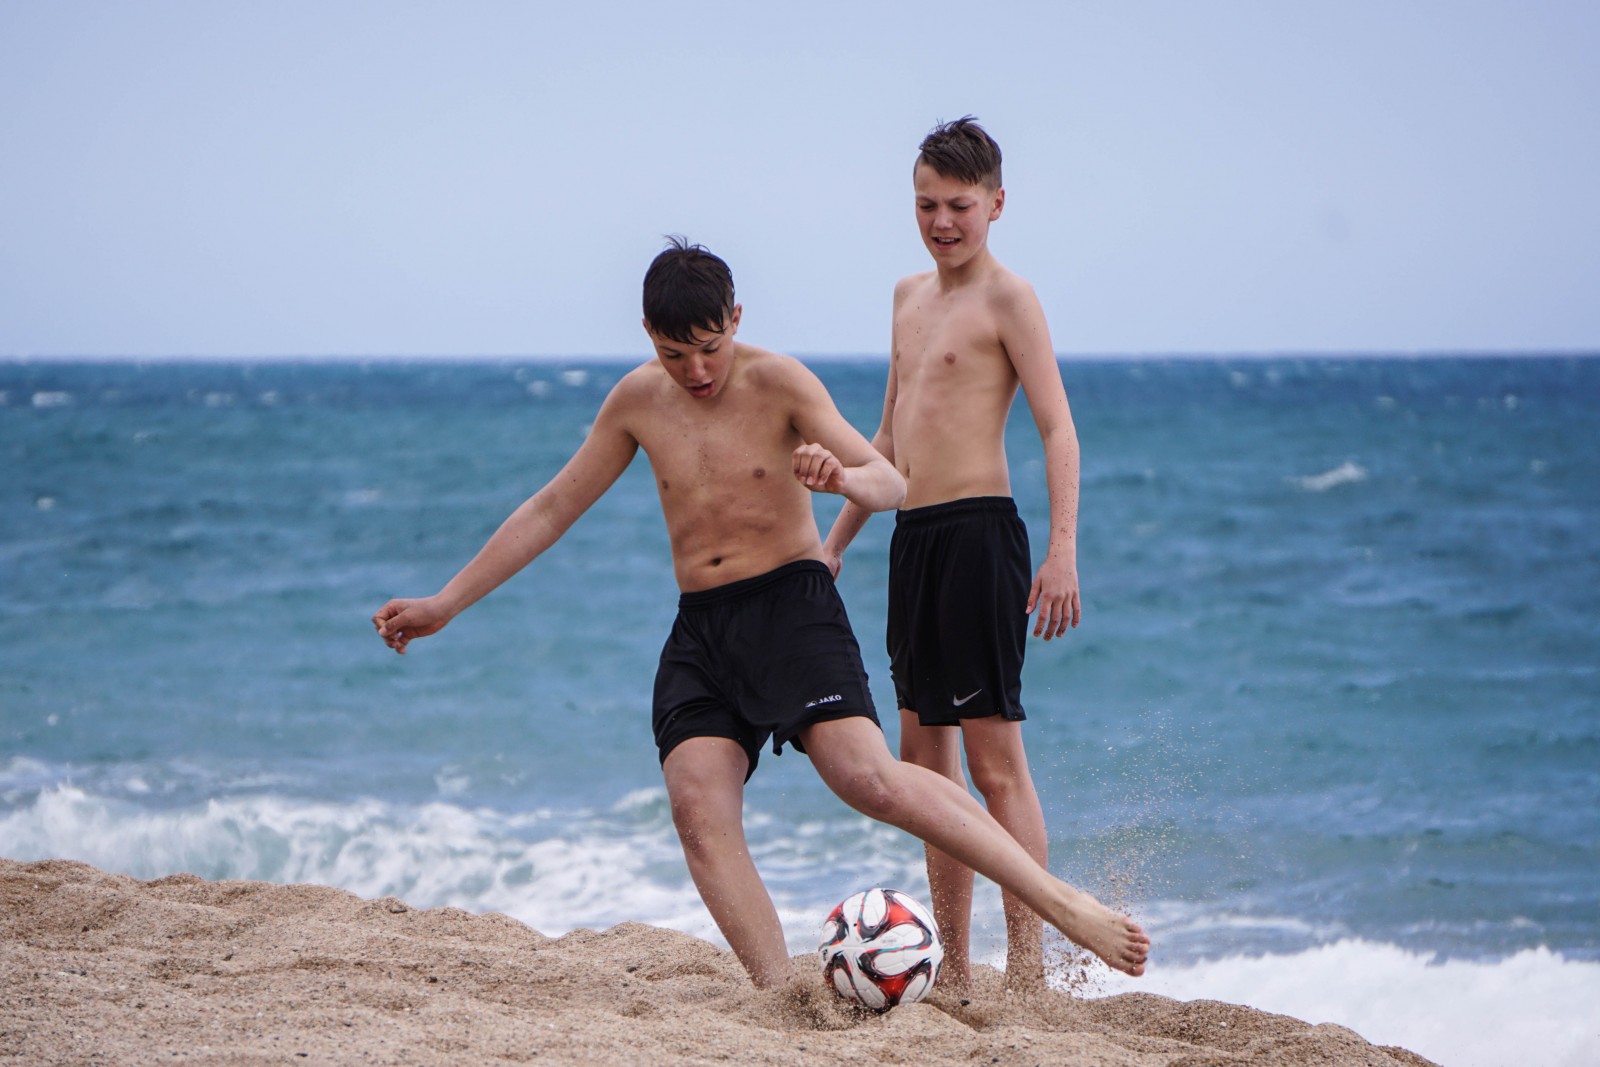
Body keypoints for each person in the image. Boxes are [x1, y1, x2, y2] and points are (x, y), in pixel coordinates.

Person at [373, 237, 1146, 990]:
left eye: (709, 347)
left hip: (792, 607)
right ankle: (784, 994)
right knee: (696, 803)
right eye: (677, 354)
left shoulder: (780, 383)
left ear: (735, 318)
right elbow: (551, 508)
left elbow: (891, 482)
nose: (697, 370)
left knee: (870, 780)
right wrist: (446, 602)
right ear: (650, 336)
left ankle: (1058, 900)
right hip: (703, 626)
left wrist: (838, 476)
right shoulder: (637, 401)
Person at [822, 117, 1083, 991]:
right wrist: (831, 546)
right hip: (914, 542)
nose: (942, 222)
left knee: (994, 764)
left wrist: (1062, 551)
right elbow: (887, 441)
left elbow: (1057, 426)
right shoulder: (905, 296)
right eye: (928, 205)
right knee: (923, 767)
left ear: (997, 205)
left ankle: (1031, 971)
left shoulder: (1010, 298)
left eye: (960, 206)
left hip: (982, 537)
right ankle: (958, 969)